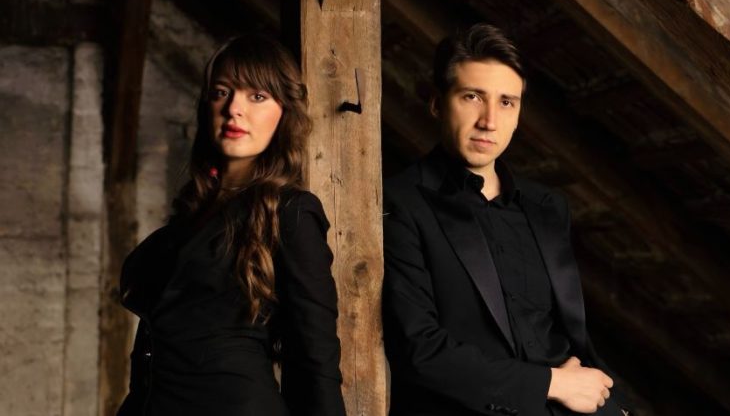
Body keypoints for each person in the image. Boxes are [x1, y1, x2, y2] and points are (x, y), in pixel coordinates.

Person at [382, 23, 631, 416]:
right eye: (472, 97)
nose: (489, 121)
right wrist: (552, 384)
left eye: (506, 103)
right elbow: (420, 350)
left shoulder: (548, 206)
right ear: (437, 102)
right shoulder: (400, 203)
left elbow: (566, 334)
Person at [117, 33, 346, 416]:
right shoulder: (191, 215)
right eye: (222, 92)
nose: (234, 109)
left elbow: (315, 359)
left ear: (284, 112)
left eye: (257, 96)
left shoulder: (292, 212)